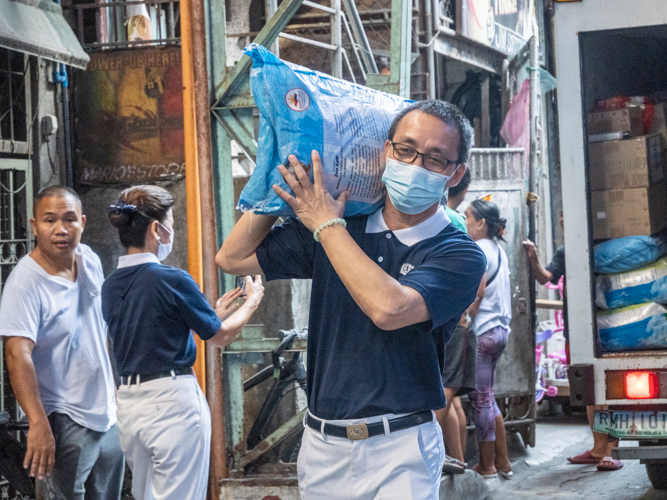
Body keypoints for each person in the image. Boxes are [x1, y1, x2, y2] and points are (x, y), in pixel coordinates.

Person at [217, 100, 486, 500]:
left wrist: (325, 223)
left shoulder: (458, 253)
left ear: (455, 173)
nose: (414, 165)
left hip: (401, 446)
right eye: (405, 150)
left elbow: (390, 308)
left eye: (434, 159)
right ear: (385, 150)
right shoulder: (343, 225)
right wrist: (276, 176)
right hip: (322, 445)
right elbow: (232, 257)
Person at [101, 185, 264, 500]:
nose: (171, 234)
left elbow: (149, 333)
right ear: (156, 230)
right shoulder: (171, 280)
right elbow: (220, 337)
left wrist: (208, 314)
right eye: (171, 227)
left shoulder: (110, 285)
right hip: (172, 405)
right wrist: (251, 302)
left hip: (130, 405)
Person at [0, 185, 124, 499]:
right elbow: (17, 354)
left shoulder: (89, 259)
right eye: (50, 220)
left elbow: (100, 328)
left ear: (82, 222)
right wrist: (38, 423)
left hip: (106, 411)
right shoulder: (24, 283)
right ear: (34, 226)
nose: (61, 229)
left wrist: (115, 390)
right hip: (63, 415)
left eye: (69, 219)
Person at [522, 217, 622, 472]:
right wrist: (532, 256)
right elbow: (545, 278)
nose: (565, 221)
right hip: (576, 331)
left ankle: (611, 448)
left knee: (605, 390)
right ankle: (599, 447)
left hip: (606, 329)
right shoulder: (566, 252)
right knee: (590, 391)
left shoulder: (606, 249)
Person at [464, 199, 513, 480]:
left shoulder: (479, 249)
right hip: (500, 332)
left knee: (480, 399)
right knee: (488, 397)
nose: (465, 221)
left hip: (483, 332)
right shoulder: (497, 249)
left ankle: (488, 465)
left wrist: (465, 319)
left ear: (482, 223)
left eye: (468, 217)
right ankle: (503, 462)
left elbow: (478, 293)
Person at [436, 167, 476, 472]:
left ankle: (440, 460)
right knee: (452, 401)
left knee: (442, 399)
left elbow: (474, 279)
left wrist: (462, 314)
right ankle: (458, 461)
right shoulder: (453, 220)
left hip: (450, 325)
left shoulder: (445, 220)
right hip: (455, 323)